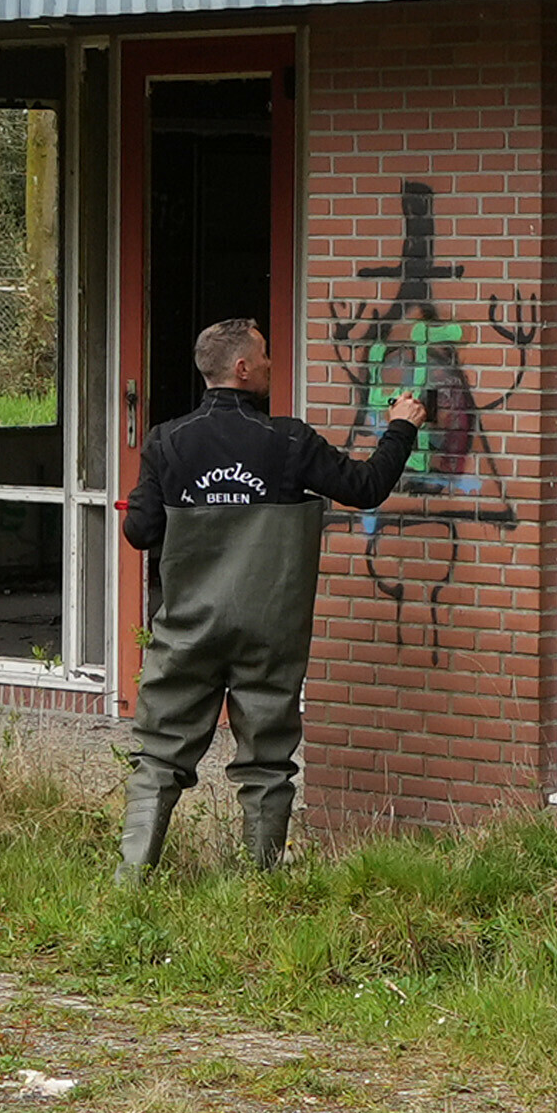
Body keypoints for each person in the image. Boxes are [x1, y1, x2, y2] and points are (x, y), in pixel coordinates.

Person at [118, 315, 427, 880]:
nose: (268, 365)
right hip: (268, 630)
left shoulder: (166, 440)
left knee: (160, 752)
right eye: (263, 357)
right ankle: (260, 883)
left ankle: (131, 880)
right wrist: (401, 427)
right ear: (240, 368)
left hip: (190, 626)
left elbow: (140, 532)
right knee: (266, 761)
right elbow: (365, 487)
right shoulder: (288, 441)